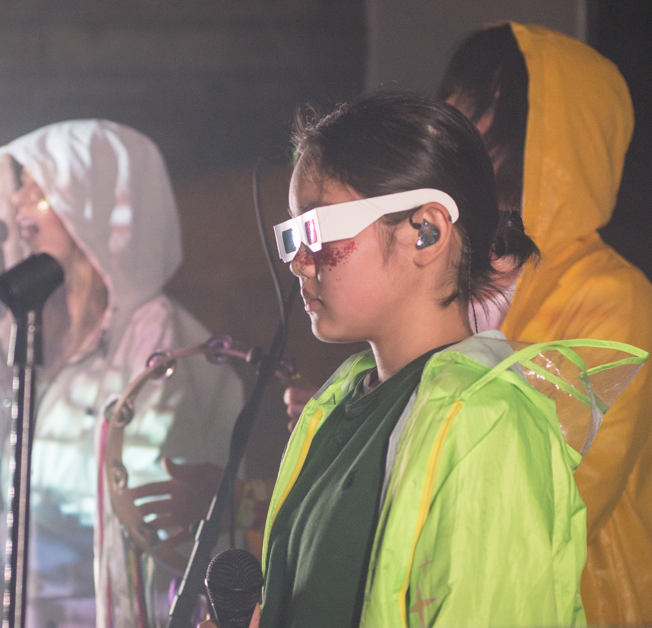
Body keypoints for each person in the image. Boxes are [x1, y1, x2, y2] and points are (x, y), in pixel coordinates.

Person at [239, 92, 647, 628]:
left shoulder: (490, 426)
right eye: (292, 235)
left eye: (318, 229)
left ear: (426, 232)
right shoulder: (336, 410)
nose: (299, 261)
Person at [0, 119, 243, 628]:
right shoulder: (52, 339)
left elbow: (147, 520)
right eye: (19, 191)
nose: (17, 206)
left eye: (38, 193)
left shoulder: (158, 342)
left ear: (93, 207)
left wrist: (0, 539)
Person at [437, 22, 652, 625]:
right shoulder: (455, 263)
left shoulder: (615, 297)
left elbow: (554, 498)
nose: (458, 135)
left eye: (481, 113)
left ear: (556, 136)